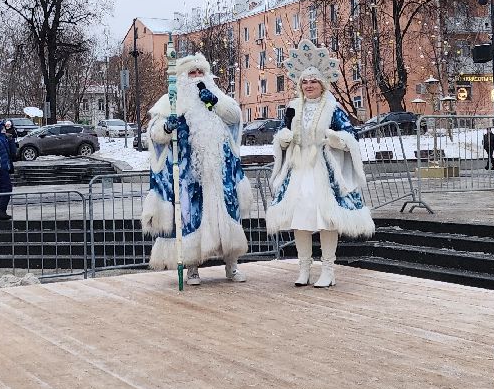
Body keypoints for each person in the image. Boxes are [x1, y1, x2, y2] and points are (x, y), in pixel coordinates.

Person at [265, 40, 375, 289]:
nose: (309, 86)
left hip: (324, 170)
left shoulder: (334, 108)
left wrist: (336, 139)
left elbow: (351, 137)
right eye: (304, 82)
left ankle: (328, 269)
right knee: (300, 219)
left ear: (322, 84)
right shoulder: (293, 108)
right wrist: (282, 140)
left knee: (326, 220)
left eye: (313, 81)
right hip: (299, 170)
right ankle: (304, 267)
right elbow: (283, 134)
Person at [139, 53, 249, 284]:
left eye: (201, 72)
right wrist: (168, 128)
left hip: (220, 174)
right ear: (183, 77)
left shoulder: (217, 96)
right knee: (190, 219)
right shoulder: (171, 101)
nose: (197, 76)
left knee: (228, 217)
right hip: (190, 176)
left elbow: (235, 117)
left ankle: (232, 266)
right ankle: (192, 268)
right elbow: (155, 132)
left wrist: (215, 103)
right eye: (192, 72)